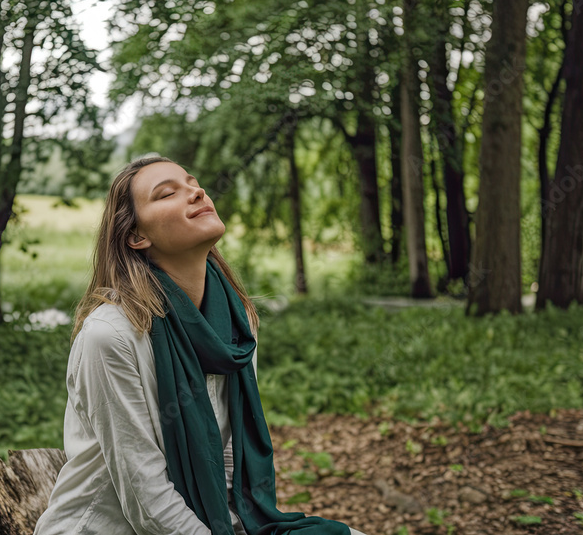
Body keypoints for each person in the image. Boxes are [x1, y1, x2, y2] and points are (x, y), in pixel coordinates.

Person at [33, 157, 365, 535]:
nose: (197, 192)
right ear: (137, 236)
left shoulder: (237, 321)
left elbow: (230, 459)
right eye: (167, 194)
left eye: (193, 183)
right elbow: (144, 497)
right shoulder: (110, 336)